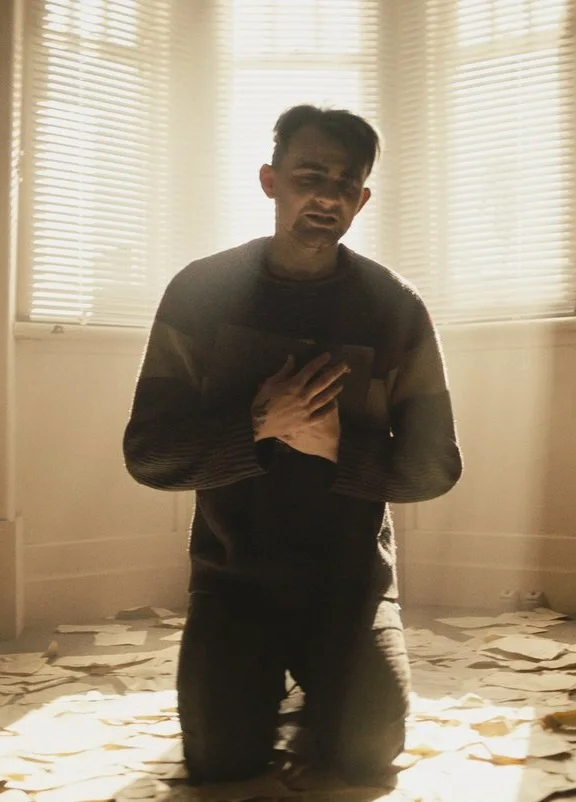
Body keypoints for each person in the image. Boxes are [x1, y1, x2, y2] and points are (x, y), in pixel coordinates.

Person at [122, 104, 462, 785]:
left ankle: (329, 685)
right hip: (233, 581)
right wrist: (256, 422)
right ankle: (258, 685)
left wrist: (338, 446)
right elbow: (149, 454)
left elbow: (437, 467)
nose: (328, 196)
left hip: (351, 584)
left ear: (362, 200)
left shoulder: (393, 306)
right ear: (270, 180)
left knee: (366, 752)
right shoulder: (201, 292)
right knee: (221, 759)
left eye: (346, 183)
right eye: (310, 176)